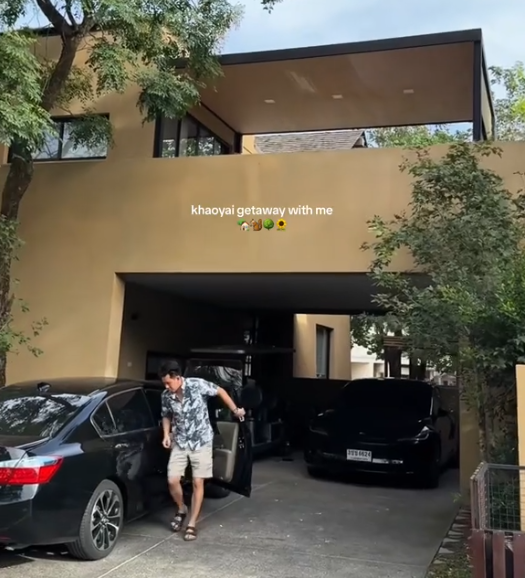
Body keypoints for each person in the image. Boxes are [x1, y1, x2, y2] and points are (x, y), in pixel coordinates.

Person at [159, 361, 246, 541]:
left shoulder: (197, 385)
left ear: (177, 377)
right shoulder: (166, 396)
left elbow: (220, 391)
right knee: (172, 479)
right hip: (180, 441)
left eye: (168, 382)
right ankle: (182, 508)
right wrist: (166, 434)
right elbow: (166, 415)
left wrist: (235, 410)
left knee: (198, 482)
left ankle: (192, 523)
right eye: (164, 383)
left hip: (202, 441)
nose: (166, 386)